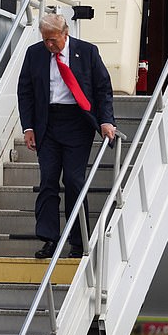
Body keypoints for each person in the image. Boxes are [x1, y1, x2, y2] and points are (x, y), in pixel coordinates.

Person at [17, 13, 116, 259]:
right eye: (45, 40)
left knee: (73, 181)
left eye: (53, 40)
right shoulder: (34, 54)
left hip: (77, 123)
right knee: (48, 180)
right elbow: (25, 91)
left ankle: (78, 241)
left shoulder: (88, 52)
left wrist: (106, 121)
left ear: (65, 33)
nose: (49, 45)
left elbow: (103, 87)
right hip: (47, 124)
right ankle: (49, 239)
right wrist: (28, 127)